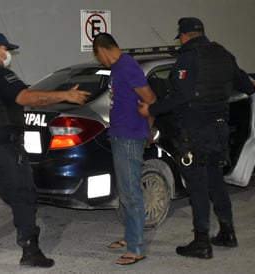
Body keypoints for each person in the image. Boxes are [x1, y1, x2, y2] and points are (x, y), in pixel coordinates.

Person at [0, 31, 90, 268]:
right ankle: (30, 250)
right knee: (23, 196)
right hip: (5, 152)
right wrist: (66, 95)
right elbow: (27, 98)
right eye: (6, 50)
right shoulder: (0, 75)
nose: (8, 54)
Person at [138, 17, 255, 259]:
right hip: (220, 129)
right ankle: (227, 232)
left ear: (183, 36)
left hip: (195, 132)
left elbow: (179, 98)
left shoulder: (188, 57)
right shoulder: (224, 53)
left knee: (198, 186)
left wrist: (149, 110)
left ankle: (201, 242)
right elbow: (248, 87)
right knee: (216, 182)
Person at [92, 33, 156, 265]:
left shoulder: (127, 66)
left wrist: (147, 127)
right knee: (125, 192)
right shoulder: (119, 68)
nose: (100, 60)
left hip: (129, 135)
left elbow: (150, 98)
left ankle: (136, 247)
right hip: (121, 134)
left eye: (98, 56)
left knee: (130, 192)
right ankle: (130, 237)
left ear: (101, 50)